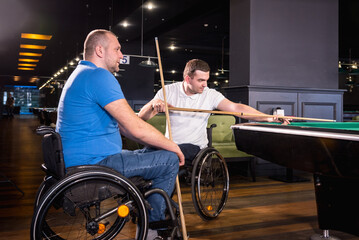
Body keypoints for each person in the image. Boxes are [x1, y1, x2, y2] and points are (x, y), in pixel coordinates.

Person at [56, 29, 185, 239]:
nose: (121, 55)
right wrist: (174, 147)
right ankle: (154, 228)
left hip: (83, 162)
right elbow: (133, 129)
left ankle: (148, 207)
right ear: (99, 50)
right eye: (117, 49)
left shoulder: (81, 74)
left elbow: (126, 126)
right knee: (169, 159)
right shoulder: (99, 76)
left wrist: (147, 112)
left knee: (150, 150)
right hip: (96, 165)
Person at [138, 59, 289, 165]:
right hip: (168, 145)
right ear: (187, 79)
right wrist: (153, 104)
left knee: (165, 158)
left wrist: (269, 118)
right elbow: (141, 118)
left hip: (194, 147)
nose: (205, 84)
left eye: (206, 80)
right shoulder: (167, 91)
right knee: (142, 155)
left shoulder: (210, 94)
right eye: (200, 80)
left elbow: (237, 109)